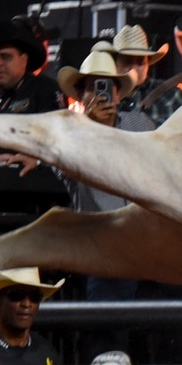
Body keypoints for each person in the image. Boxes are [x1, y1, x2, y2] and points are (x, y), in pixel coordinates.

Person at [59, 46, 153, 328]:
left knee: (152, 329)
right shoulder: (70, 133)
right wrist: (88, 128)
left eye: (105, 87)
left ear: (117, 93)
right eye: (90, 87)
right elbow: (61, 166)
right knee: (110, 330)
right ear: (81, 96)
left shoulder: (140, 123)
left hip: (149, 245)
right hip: (104, 246)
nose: (98, 93)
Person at [0, 18, 65, 166]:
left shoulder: (45, 90)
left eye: (5, 56)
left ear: (23, 60)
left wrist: (38, 162)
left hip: (21, 180)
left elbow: (61, 145)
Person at [106, 24, 182, 126]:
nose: (134, 67)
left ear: (148, 64)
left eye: (140, 61)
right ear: (115, 63)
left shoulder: (171, 95)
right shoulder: (102, 97)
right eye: (127, 60)